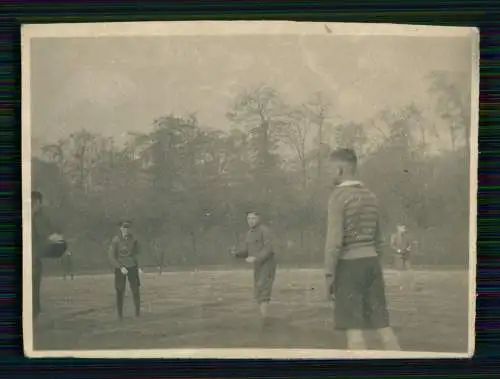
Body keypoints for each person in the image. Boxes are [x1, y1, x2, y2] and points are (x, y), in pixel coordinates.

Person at [324, 148, 401, 351]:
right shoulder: (371, 196)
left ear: (341, 169)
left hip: (349, 266)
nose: (328, 173)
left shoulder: (338, 197)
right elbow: (379, 241)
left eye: (331, 169)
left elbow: (334, 241)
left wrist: (329, 275)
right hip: (372, 264)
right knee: (383, 325)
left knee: (354, 331)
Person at [231, 211, 277, 323]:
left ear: (259, 218)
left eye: (253, 218)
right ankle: (263, 317)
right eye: (248, 218)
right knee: (258, 290)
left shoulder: (264, 231)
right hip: (258, 265)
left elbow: (268, 249)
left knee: (263, 289)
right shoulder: (249, 233)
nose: (250, 221)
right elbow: (247, 250)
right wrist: (236, 253)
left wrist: (256, 258)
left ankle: (265, 319)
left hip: (267, 263)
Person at [31, 190, 64, 319]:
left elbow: (46, 233)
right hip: (32, 260)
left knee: (33, 288)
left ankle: (34, 312)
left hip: (33, 259)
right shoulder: (36, 216)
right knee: (33, 289)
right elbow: (48, 234)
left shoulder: (37, 217)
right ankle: (34, 312)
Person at [108, 220, 141, 320]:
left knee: (135, 290)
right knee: (120, 290)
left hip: (132, 267)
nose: (126, 230)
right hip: (121, 268)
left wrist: (138, 266)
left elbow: (136, 254)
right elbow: (112, 256)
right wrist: (120, 267)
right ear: (121, 228)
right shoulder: (116, 240)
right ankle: (120, 315)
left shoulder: (133, 240)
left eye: (128, 227)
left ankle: (138, 313)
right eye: (124, 227)